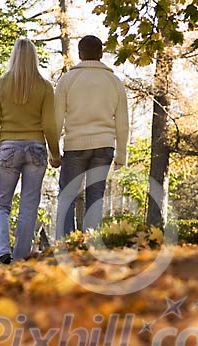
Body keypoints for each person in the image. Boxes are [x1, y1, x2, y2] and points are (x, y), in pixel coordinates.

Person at [0, 37, 61, 264]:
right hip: (36, 149)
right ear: (34, 58)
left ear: (14, 57)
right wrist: (55, 154)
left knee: (1, 204)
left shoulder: (0, 85)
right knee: (28, 205)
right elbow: (49, 126)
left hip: (8, 149)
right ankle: (20, 258)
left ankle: (1, 254)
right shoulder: (45, 87)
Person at [54, 35, 129, 238]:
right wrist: (121, 155)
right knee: (95, 196)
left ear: (80, 54)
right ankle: (91, 242)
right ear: (101, 54)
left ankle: (65, 243)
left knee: (67, 196)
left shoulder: (67, 80)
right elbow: (122, 122)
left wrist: (53, 151)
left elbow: (56, 120)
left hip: (74, 146)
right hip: (104, 146)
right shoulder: (114, 82)